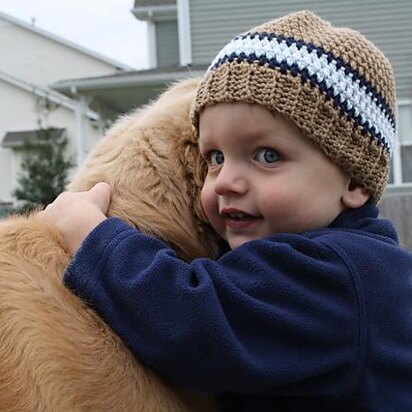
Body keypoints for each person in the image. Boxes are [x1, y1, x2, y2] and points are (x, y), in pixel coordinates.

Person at [42, 11, 412, 411]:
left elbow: (191, 323)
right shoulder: (331, 261)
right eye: (215, 157)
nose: (225, 181)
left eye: (267, 155)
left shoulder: (339, 275)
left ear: (354, 183)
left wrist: (95, 239)